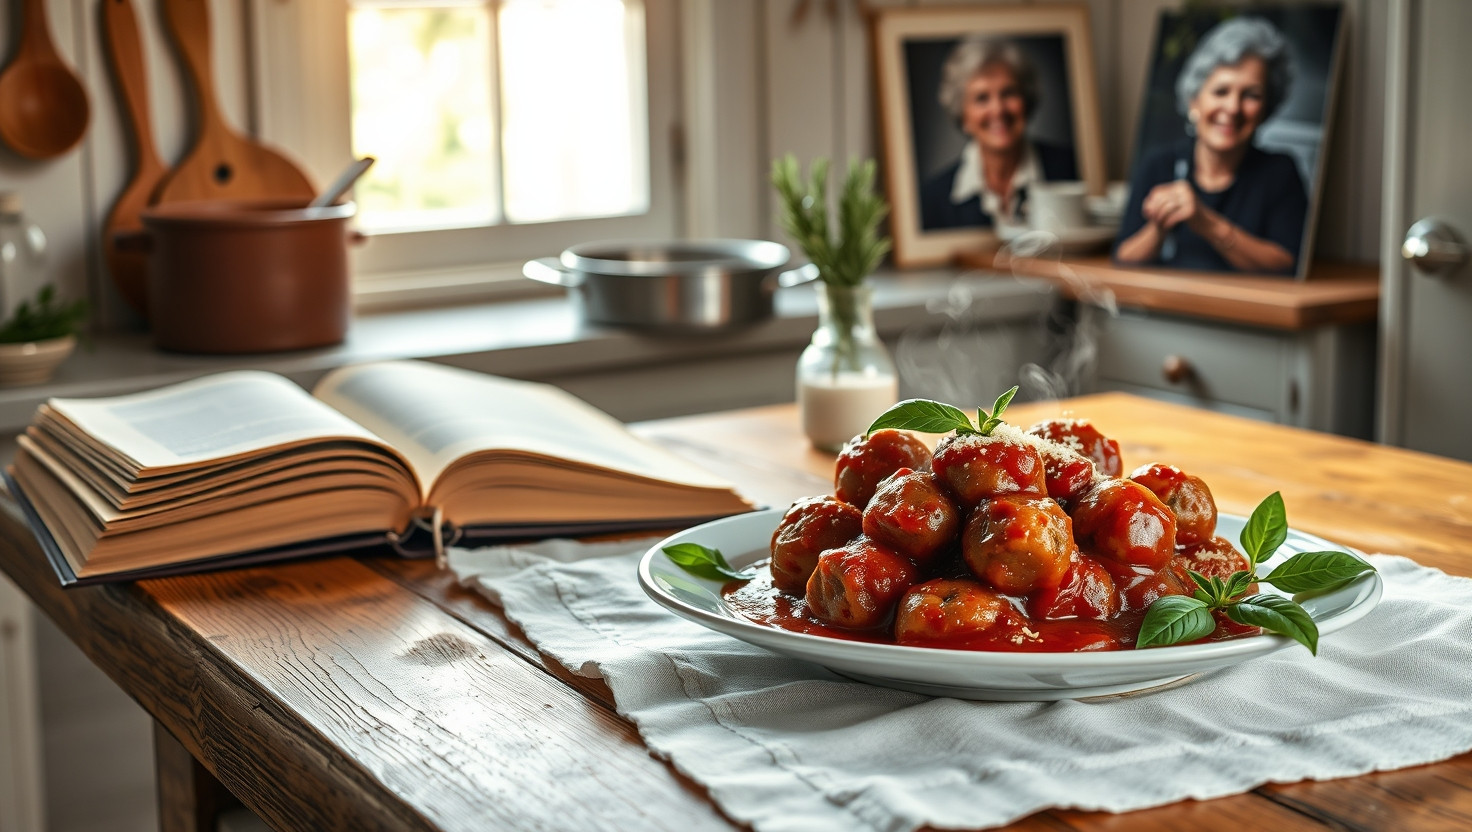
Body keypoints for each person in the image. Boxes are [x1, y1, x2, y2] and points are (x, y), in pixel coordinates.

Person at [1114, 17, 1308, 274]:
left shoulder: (1280, 173)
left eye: (1251, 95)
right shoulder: (1159, 165)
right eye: (1221, 92)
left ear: (1266, 108)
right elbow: (1123, 258)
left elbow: (1288, 266)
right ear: (1194, 100)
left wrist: (1206, 222)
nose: (1233, 108)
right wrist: (1158, 227)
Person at [919, 38, 1077, 231]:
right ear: (963, 115)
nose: (998, 110)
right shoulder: (932, 199)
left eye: (1008, 93)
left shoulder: (1073, 169)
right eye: (982, 98)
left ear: (1026, 101)